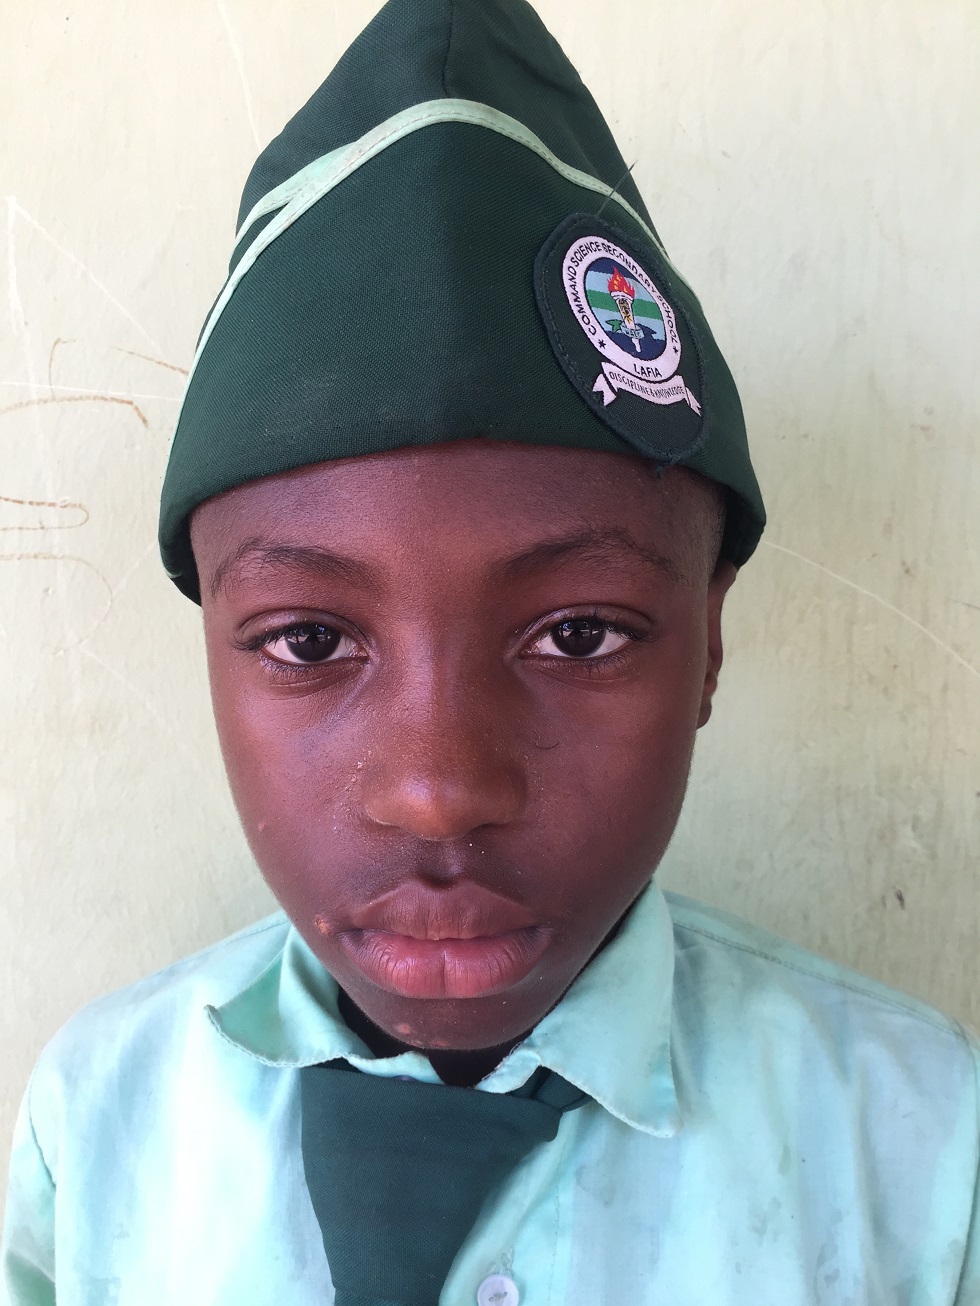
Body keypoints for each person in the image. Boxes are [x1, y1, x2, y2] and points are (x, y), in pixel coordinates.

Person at [3, 1, 977, 1302]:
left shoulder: (920, 1148)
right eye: (309, 638)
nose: (439, 790)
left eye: (578, 633)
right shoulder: (98, 1127)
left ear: (710, 642)